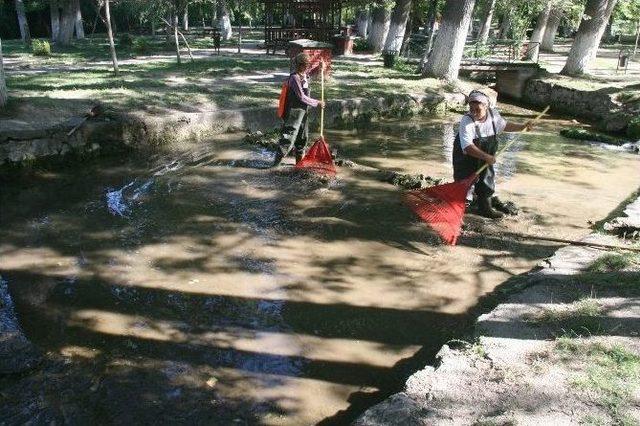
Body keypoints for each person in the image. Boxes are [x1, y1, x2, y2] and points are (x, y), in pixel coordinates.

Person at [452, 90, 530, 219]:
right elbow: (467, 147)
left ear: (486, 106)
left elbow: (504, 126)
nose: (474, 112)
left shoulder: (494, 115)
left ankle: (485, 207)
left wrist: (522, 127)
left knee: (486, 178)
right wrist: (487, 157)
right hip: (466, 155)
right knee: (464, 179)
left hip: (486, 155)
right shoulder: (466, 121)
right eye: (471, 109)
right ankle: (459, 207)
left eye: (477, 109)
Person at [272, 53, 325, 166]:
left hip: (303, 112)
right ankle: (275, 164)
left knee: (302, 137)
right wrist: (317, 102)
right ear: (301, 65)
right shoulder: (294, 78)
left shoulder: (304, 75)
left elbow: (311, 74)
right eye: (307, 65)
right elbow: (301, 97)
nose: (308, 67)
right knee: (288, 137)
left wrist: (320, 68)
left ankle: (299, 164)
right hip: (293, 113)